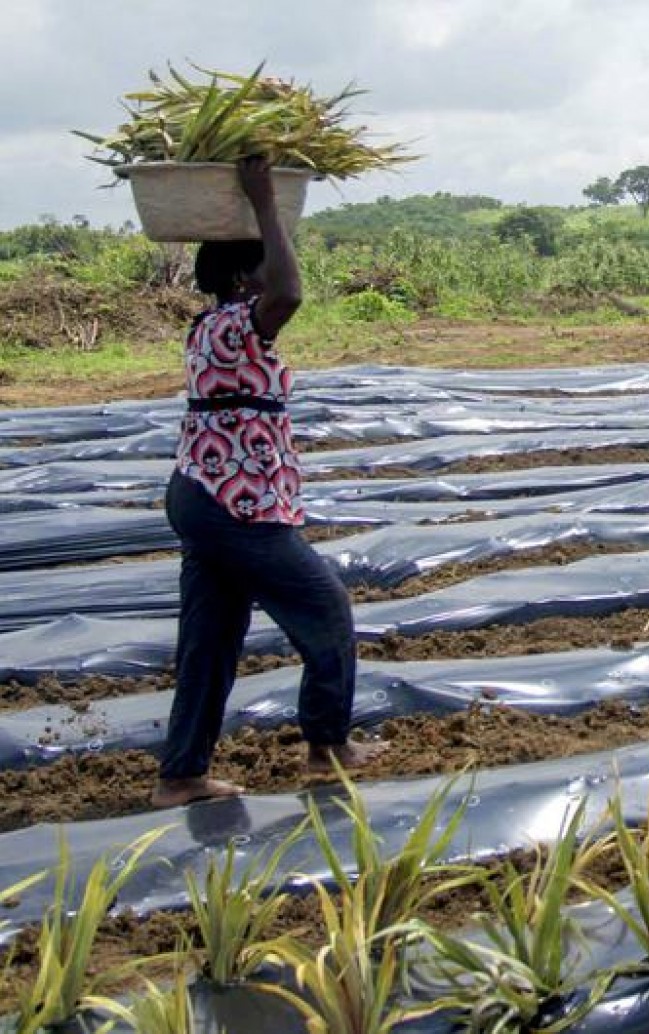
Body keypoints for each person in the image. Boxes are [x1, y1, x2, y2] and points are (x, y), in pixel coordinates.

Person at [153, 156, 385, 809]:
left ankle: (181, 774)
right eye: (260, 263)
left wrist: (265, 216)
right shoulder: (236, 321)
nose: (272, 273)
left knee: (211, 638)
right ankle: (328, 744)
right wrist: (266, 204)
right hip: (233, 504)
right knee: (327, 609)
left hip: (204, 494)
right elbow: (289, 292)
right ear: (239, 278)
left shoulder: (212, 329)